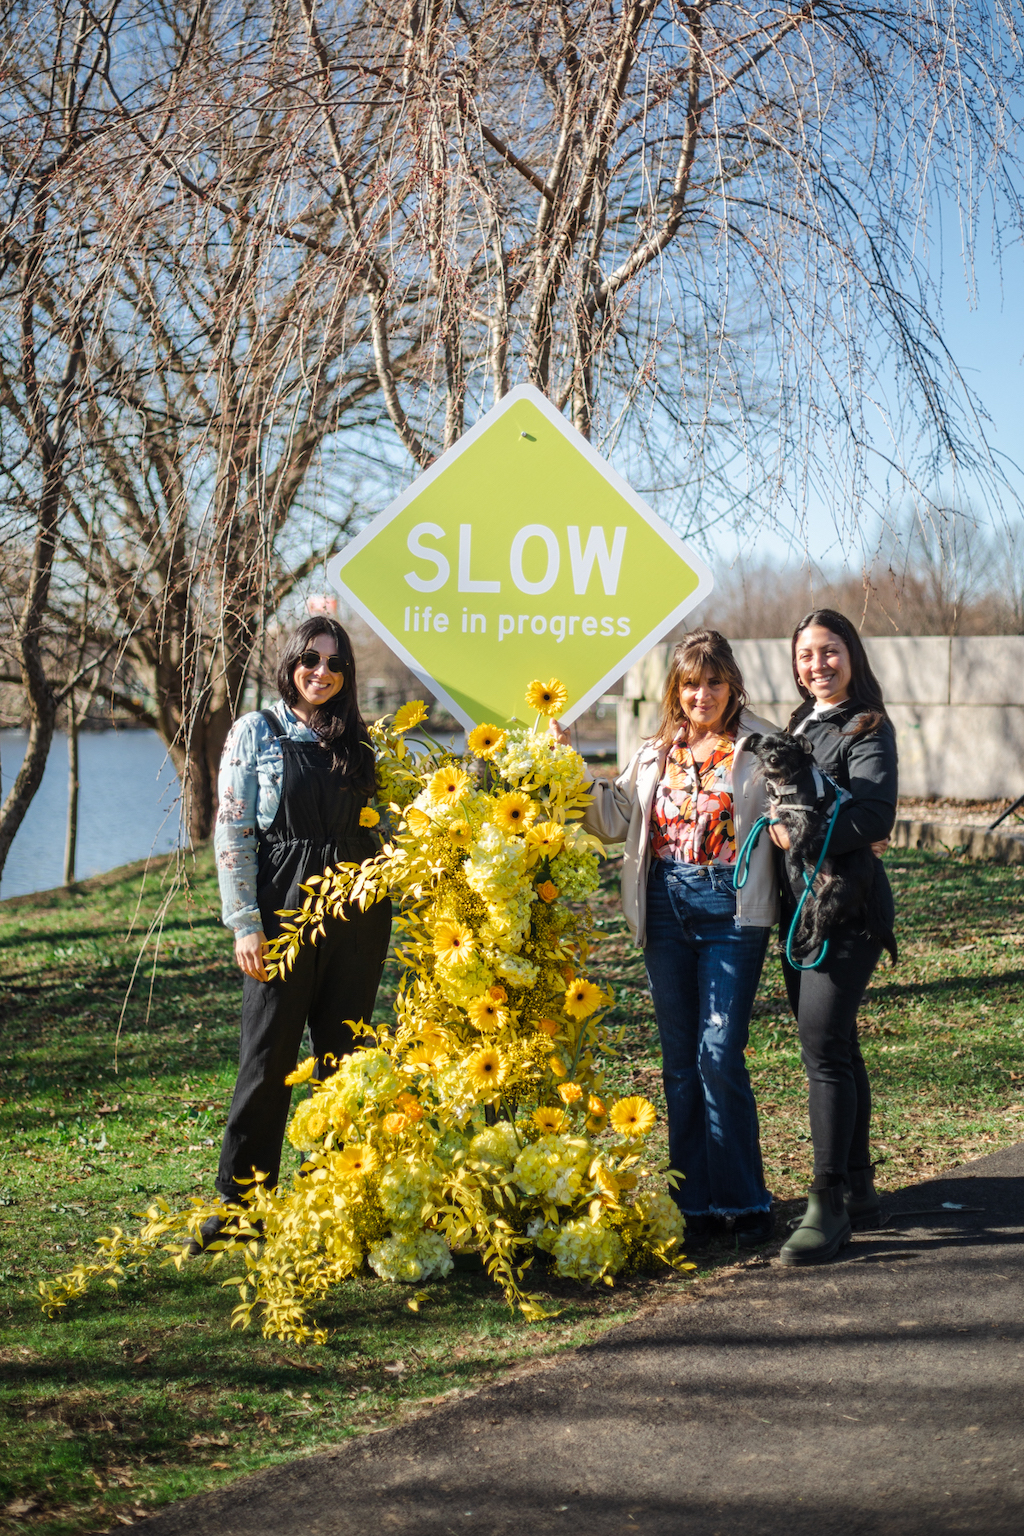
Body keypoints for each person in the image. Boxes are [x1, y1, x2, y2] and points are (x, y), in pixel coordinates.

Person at [554, 629, 779, 1250]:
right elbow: (612, 818)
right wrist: (567, 760)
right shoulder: (656, 751)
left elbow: (796, 813)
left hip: (731, 907)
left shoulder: (761, 745)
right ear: (674, 691)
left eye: (712, 681)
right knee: (680, 1065)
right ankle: (695, 1205)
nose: (701, 693)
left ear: (731, 683)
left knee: (718, 1055)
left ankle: (746, 1199)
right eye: (689, 683)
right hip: (664, 907)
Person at [193, 617, 392, 1250]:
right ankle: (240, 1205)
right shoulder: (259, 731)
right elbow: (233, 832)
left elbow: (391, 828)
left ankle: (334, 1197)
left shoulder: (361, 742)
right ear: (290, 663)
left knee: (345, 1059)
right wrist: (245, 924)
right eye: (310, 659)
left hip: (358, 915)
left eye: (335, 664)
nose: (322, 673)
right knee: (267, 1055)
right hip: (284, 912)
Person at [771, 608, 897, 1266]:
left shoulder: (867, 726)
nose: (816, 664)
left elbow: (876, 814)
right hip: (800, 913)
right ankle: (861, 1186)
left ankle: (827, 1205)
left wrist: (802, 831)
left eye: (828, 650)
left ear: (851, 655)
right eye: (805, 655)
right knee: (838, 1044)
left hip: (849, 914)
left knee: (820, 1047)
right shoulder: (797, 727)